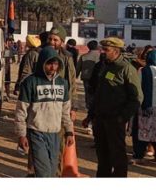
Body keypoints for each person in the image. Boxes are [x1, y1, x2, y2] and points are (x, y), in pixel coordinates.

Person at [82, 37, 142, 177]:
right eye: (102, 49)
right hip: (100, 119)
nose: (103, 52)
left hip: (115, 121)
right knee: (103, 157)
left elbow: (137, 98)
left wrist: (122, 117)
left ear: (116, 51)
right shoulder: (105, 66)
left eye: (106, 50)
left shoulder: (126, 68)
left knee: (118, 157)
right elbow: (99, 94)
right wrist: (90, 116)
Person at [15, 46, 75, 177]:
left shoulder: (63, 83)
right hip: (36, 131)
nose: (53, 67)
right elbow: (21, 111)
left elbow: (65, 110)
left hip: (55, 133)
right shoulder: (30, 82)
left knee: (53, 171)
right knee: (44, 172)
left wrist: (69, 131)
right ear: (42, 63)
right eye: (49, 63)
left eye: (55, 63)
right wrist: (21, 134)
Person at [132, 50, 156, 164]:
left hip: (146, 107)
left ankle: (139, 155)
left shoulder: (143, 71)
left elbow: (138, 88)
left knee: (142, 132)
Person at [76, 40, 100, 131]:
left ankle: (89, 122)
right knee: (97, 100)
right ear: (97, 47)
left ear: (88, 47)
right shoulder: (100, 57)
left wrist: (75, 77)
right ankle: (95, 122)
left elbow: (77, 70)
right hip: (98, 81)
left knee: (89, 99)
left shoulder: (83, 57)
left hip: (87, 80)